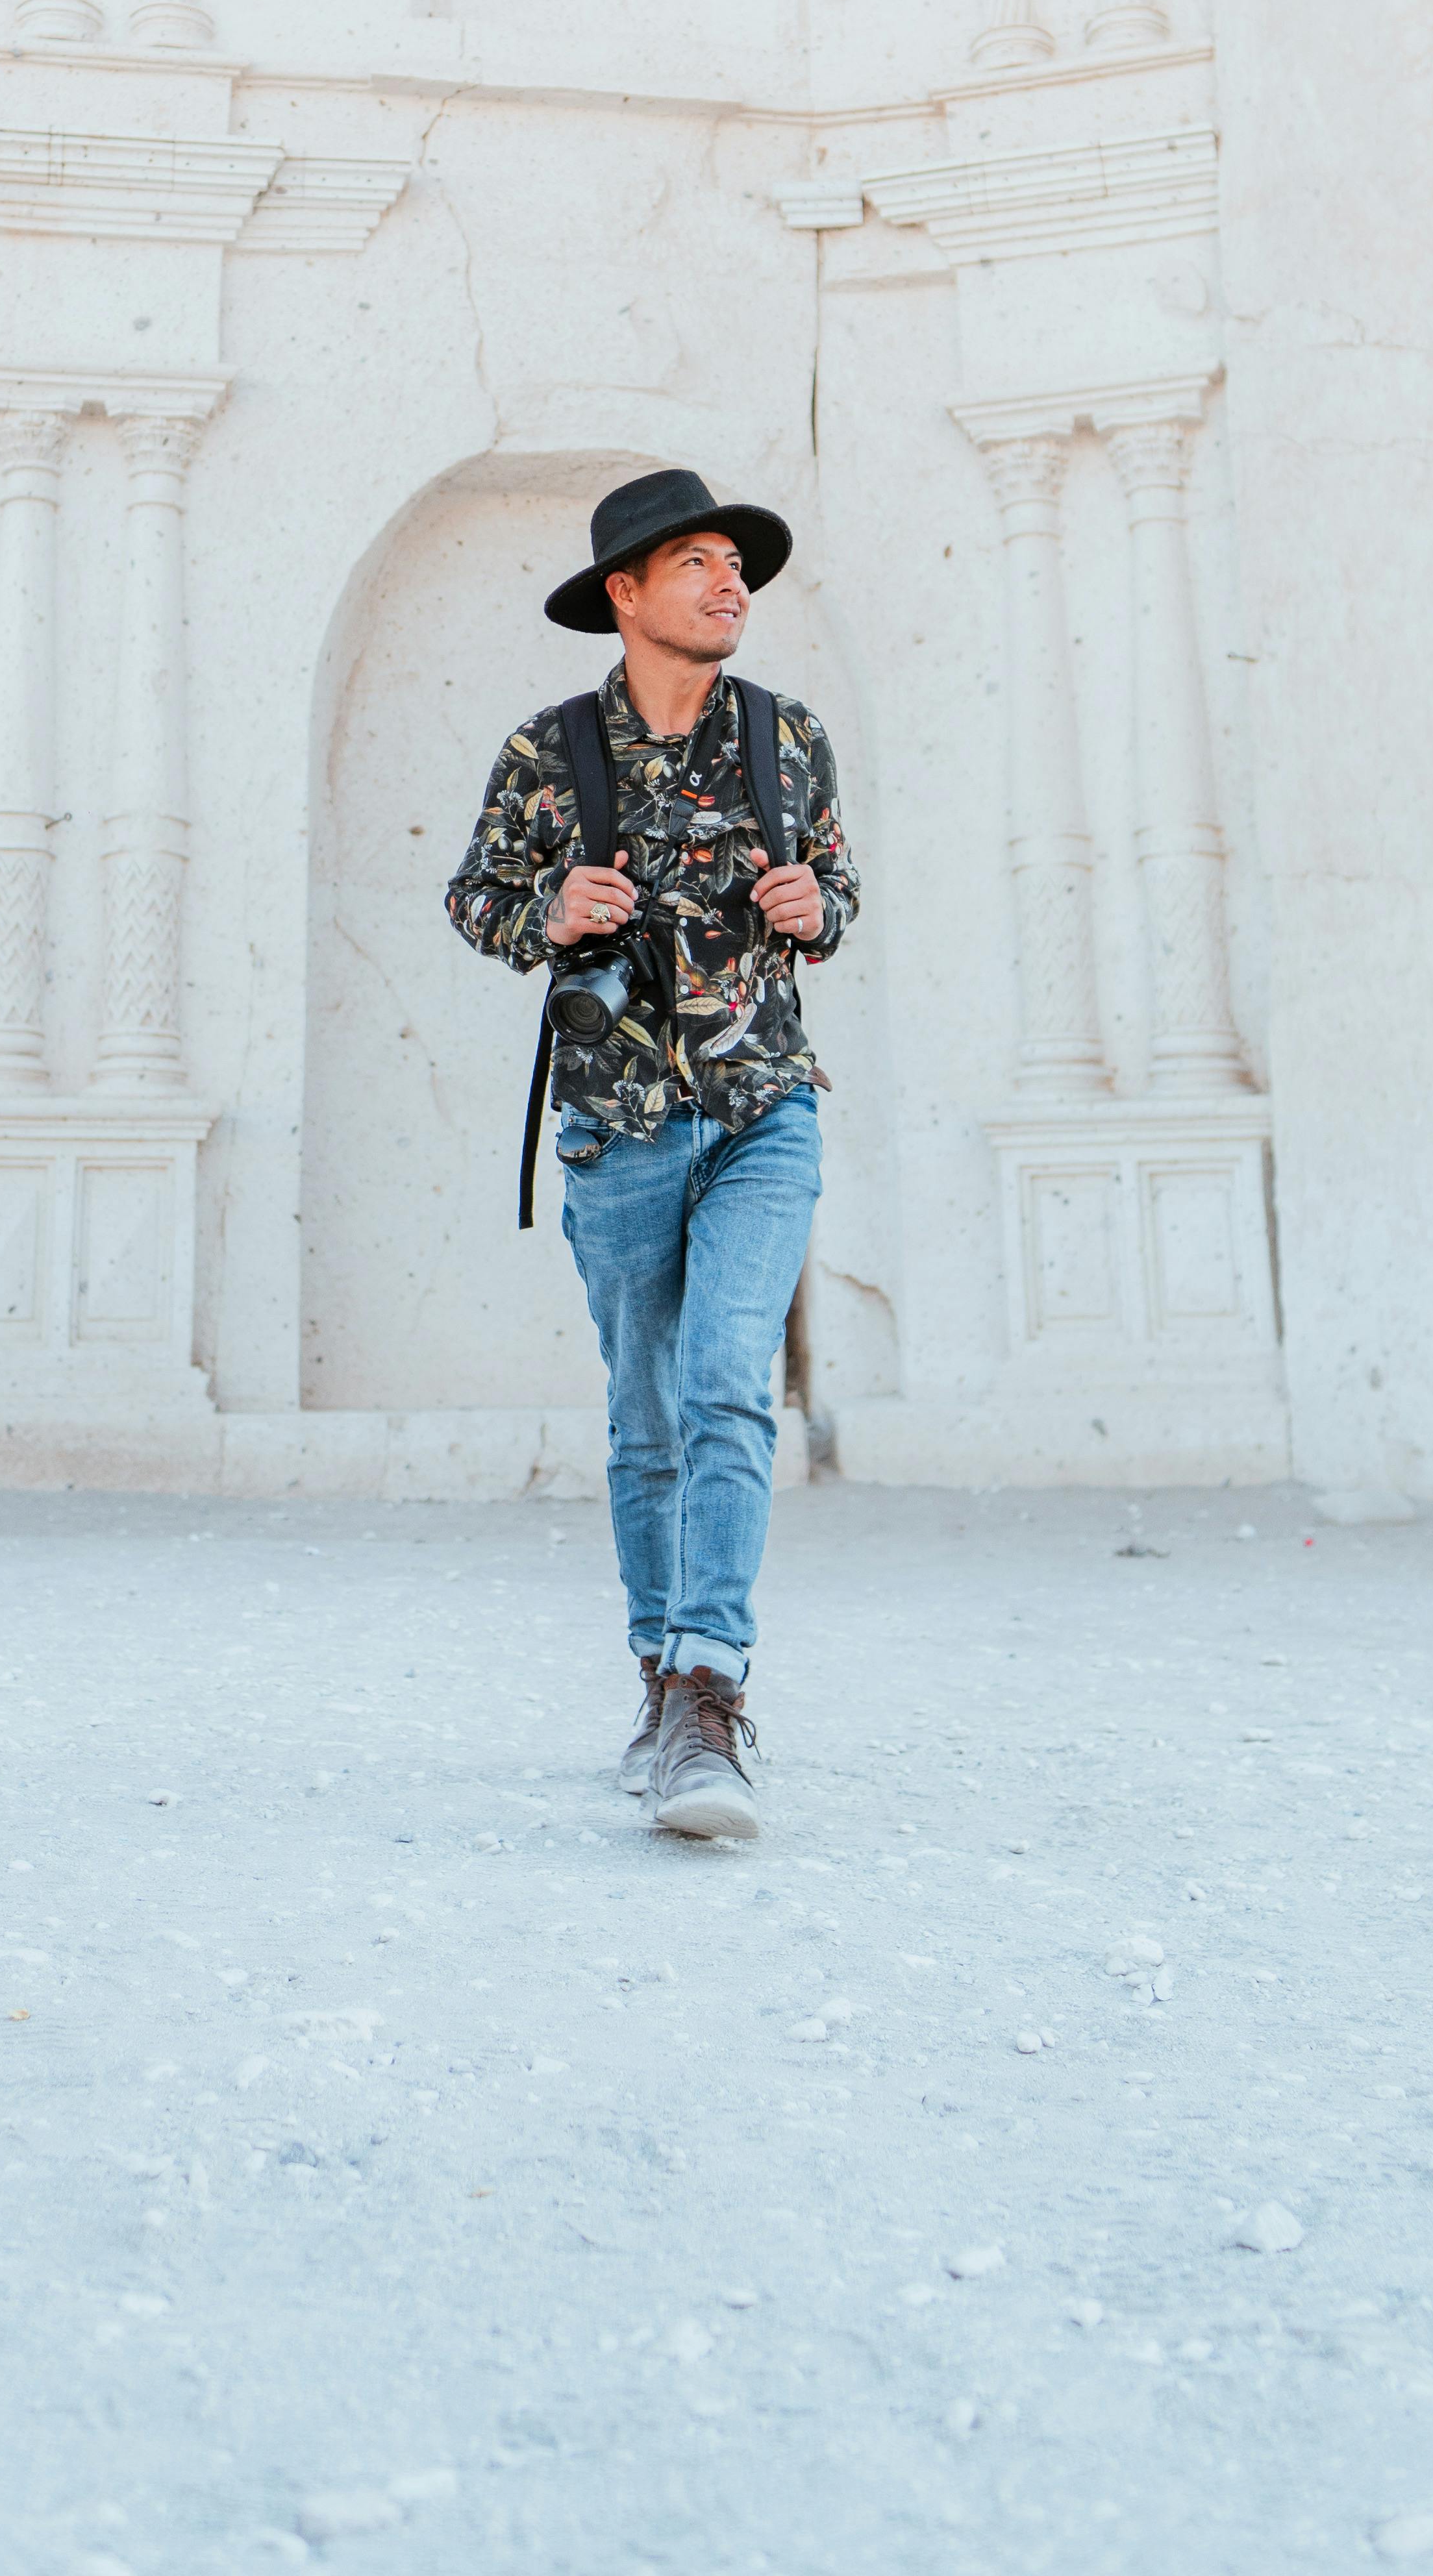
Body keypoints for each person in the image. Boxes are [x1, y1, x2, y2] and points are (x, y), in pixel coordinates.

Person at [443, 467, 860, 1841]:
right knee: (647, 1413)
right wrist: (549, 911)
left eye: (734, 564)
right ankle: (654, 1670)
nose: (728, 582)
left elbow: (837, 888)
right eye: (693, 563)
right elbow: (474, 899)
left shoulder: (782, 737)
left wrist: (815, 905)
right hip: (613, 1127)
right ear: (623, 594)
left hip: (762, 1107)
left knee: (728, 1385)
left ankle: (708, 1689)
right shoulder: (547, 751)